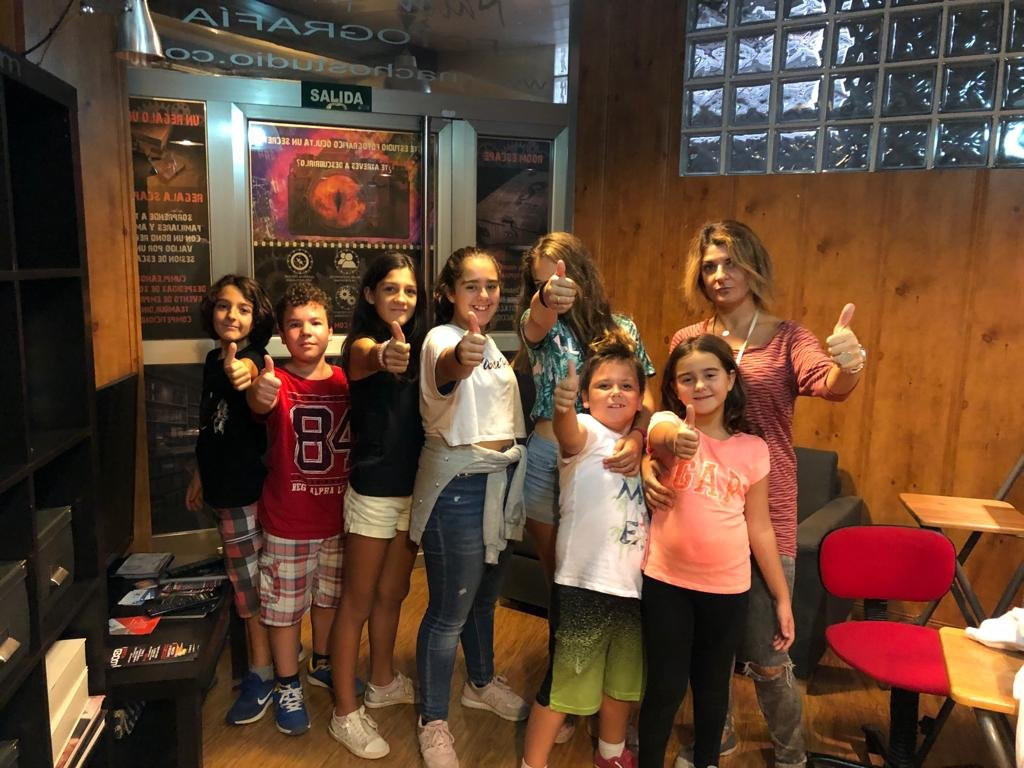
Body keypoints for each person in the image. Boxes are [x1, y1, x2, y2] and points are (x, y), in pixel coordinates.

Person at [646, 220, 865, 768]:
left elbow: (830, 384)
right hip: (696, 508)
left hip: (767, 510)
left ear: (754, 267)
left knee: (768, 655)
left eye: (731, 263)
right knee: (709, 654)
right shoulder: (689, 338)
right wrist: (650, 465)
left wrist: (850, 365)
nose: (720, 275)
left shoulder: (789, 338)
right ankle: (717, 738)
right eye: (710, 266)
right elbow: (667, 421)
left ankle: (792, 756)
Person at [640, 334, 795, 768]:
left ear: (730, 379)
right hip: (666, 583)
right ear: (674, 387)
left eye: (710, 375)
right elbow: (662, 435)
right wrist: (677, 440)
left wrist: (782, 597)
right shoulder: (668, 424)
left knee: (712, 691)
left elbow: (759, 527)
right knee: (665, 688)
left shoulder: (753, 449)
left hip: (727, 589)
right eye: (686, 378)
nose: (699, 385)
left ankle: (707, 760)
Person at [411, 247, 530, 768]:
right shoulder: (443, 338)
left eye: (492, 285)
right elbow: (449, 367)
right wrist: (463, 355)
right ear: (449, 292)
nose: (484, 295)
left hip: (497, 483)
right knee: (448, 613)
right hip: (458, 486)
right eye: (472, 286)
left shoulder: (494, 344)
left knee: (484, 600)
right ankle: (432, 721)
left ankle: (479, 683)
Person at [521, 332, 648, 768]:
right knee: (563, 686)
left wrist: (642, 436)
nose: (615, 393)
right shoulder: (587, 432)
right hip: (583, 585)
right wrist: (563, 406)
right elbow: (568, 433)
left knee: (621, 682)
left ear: (639, 399)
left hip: (633, 587)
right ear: (587, 398)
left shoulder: (644, 443)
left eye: (626, 386)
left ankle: (611, 753)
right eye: (603, 385)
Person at [328, 253, 427, 759]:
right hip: (372, 491)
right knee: (358, 601)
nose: (401, 298)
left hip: (414, 488)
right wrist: (387, 353)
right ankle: (344, 711)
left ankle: (382, 681)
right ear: (370, 295)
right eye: (390, 288)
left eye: (409, 290)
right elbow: (370, 357)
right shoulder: (361, 346)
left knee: (393, 593)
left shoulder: (423, 344)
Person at [516, 232, 657, 584]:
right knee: (559, 577)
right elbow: (538, 317)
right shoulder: (538, 325)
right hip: (546, 460)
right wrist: (546, 297)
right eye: (541, 283)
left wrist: (638, 438)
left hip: (607, 459)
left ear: (581, 273)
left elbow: (647, 400)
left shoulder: (622, 328)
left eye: (559, 278)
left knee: (608, 569)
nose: (554, 288)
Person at [247, 283, 350, 736]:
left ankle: (322, 662)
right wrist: (260, 391)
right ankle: (287, 683)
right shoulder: (275, 381)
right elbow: (257, 403)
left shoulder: (346, 381)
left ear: (331, 329)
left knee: (329, 600)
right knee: (284, 610)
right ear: (282, 335)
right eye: (294, 324)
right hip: (288, 521)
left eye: (315, 322)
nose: (305, 331)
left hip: (339, 520)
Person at [187, 274, 276, 726]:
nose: (232, 315)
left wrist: (246, 374)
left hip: (247, 491)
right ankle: (273, 657)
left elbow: (253, 381)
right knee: (248, 579)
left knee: (250, 585)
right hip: (221, 488)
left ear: (256, 318)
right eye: (224, 306)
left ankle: (262, 671)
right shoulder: (211, 359)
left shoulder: (253, 358)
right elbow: (210, 423)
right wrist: (199, 473)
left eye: (243, 308)